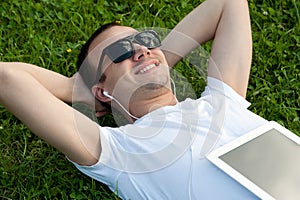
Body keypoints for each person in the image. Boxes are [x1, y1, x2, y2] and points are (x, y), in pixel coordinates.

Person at [0, 0, 268, 199]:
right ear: (102, 91)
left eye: (146, 40)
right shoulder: (119, 151)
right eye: (120, 51)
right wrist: (74, 88)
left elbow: (229, 4)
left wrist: (154, 61)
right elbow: (7, 77)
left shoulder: (222, 102)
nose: (141, 49)